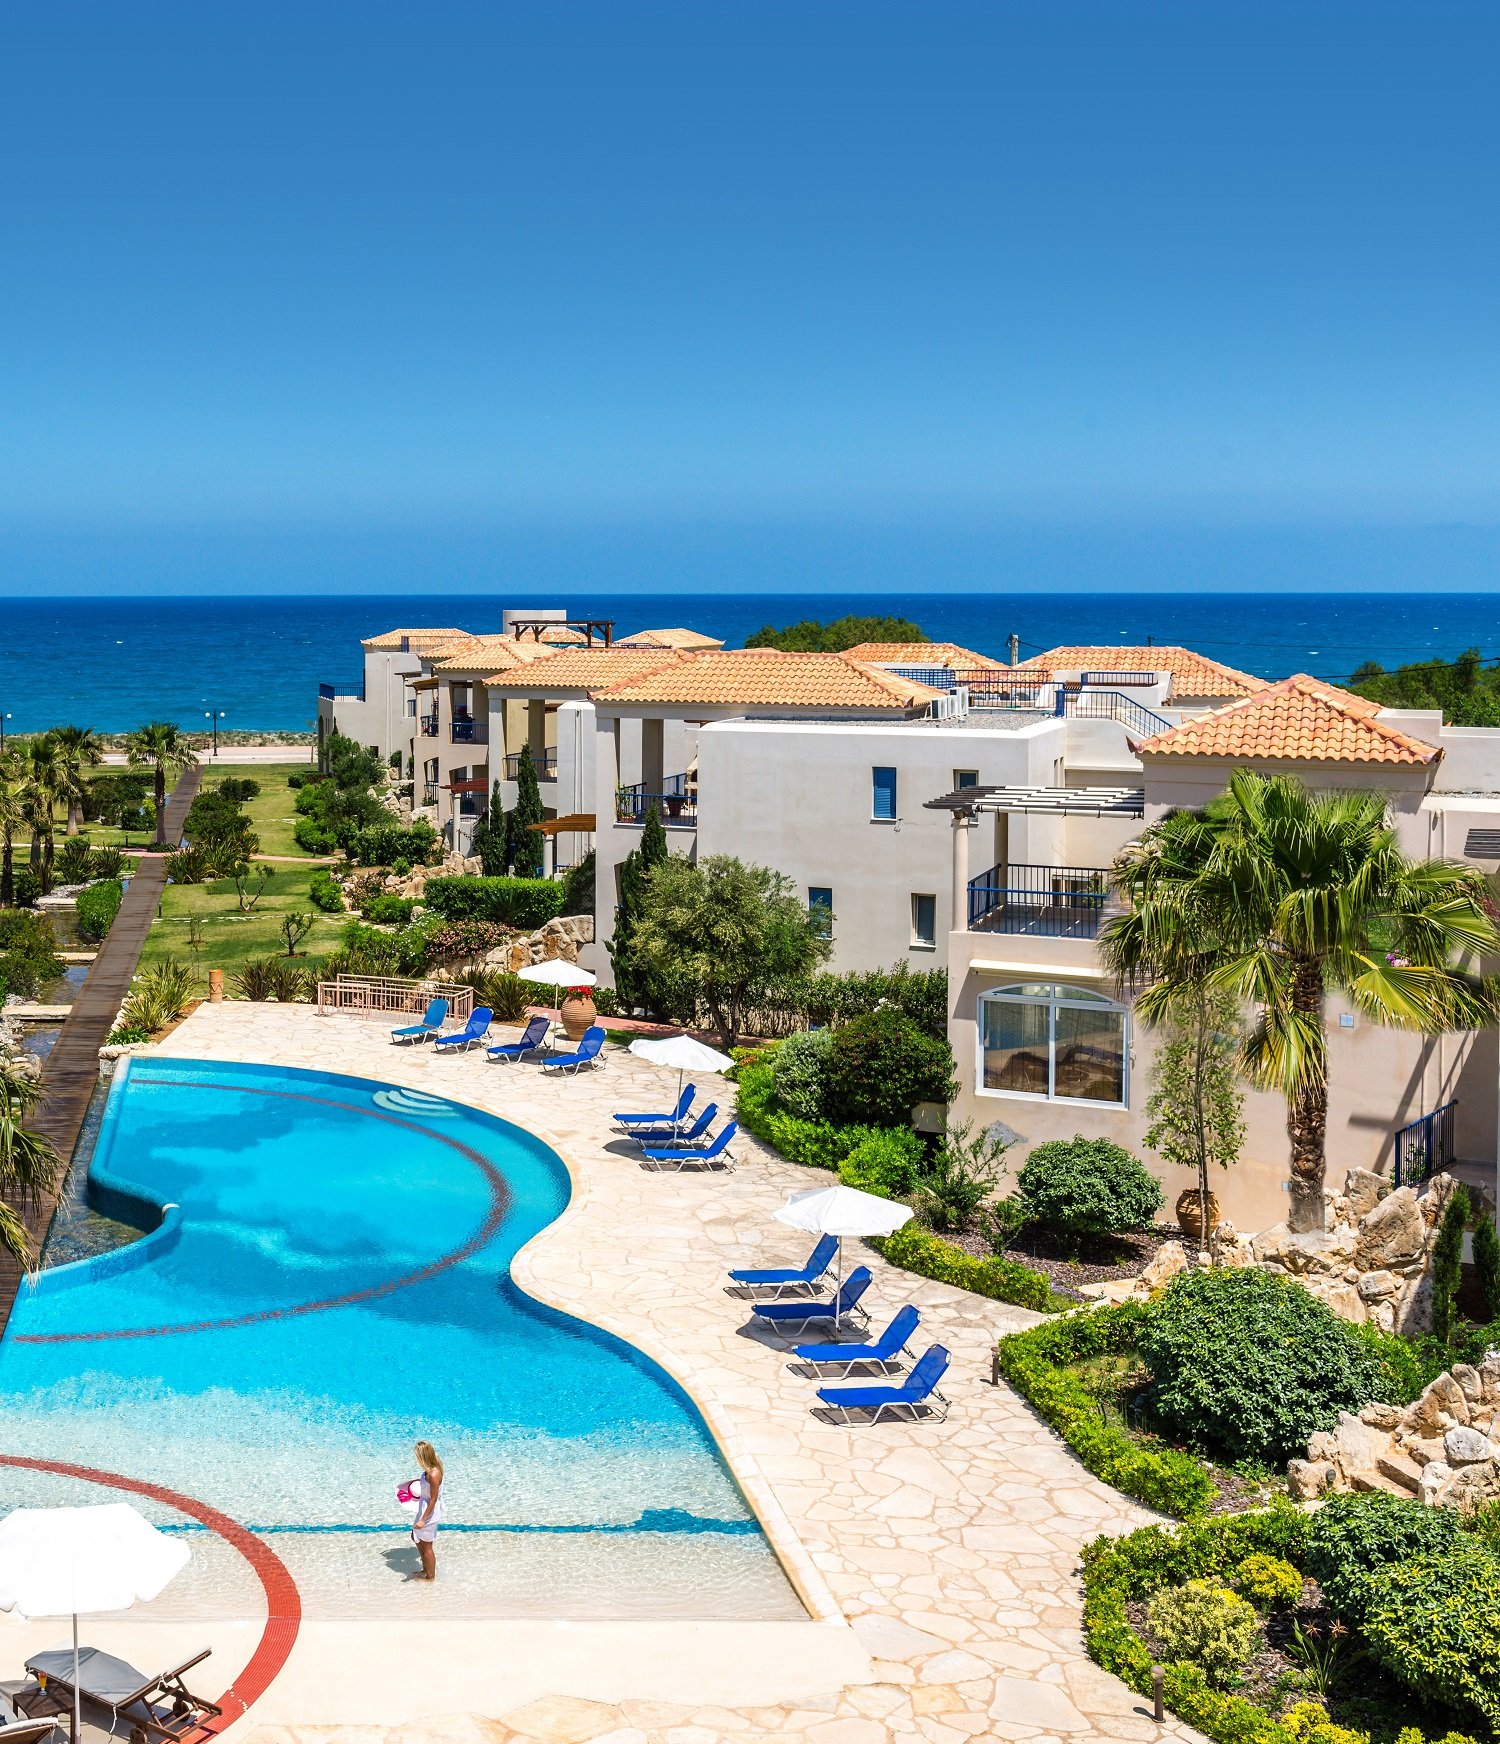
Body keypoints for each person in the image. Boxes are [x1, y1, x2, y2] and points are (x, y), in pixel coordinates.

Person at [409, 1440, 445, 1580]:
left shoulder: (433, 1474)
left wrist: (423, 1520)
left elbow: (433, 1499)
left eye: (418, 1455)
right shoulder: (427, 1470)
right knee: (415, 1536)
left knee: (427, 1545)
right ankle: (425, 1570)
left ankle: (430, 1577)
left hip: (430, 1513)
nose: (416, 1458)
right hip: (424, 1509)